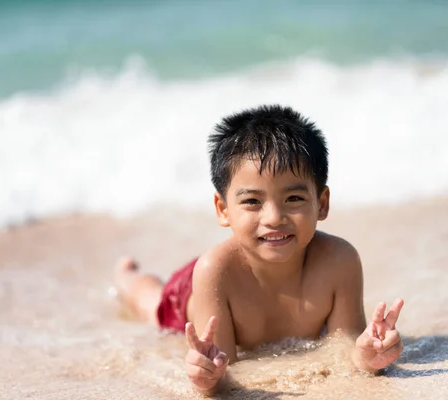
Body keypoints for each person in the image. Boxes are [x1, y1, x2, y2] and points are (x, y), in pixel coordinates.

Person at [114, 104, 404, 395]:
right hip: (195, 289)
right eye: (252, 201)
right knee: (150, 303)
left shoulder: (340, 261)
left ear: (322, 202)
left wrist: (367, 358)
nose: (274, 218)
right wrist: (210, 377)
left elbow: (347, 350)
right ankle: (128, 276)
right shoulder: (214, 271)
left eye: (293, 198)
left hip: (230, 262)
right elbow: (225, 372)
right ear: (223, 209)